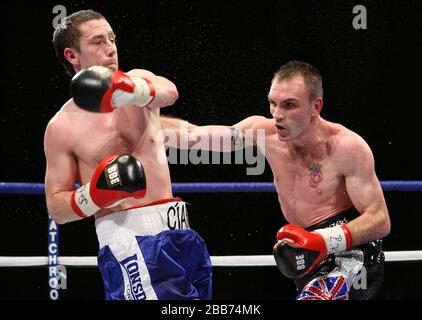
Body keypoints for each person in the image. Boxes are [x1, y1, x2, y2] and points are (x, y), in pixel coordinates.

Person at [160, 60, 391, 300]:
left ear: (316, 105)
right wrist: (136, 114)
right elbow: (192, 136)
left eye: (290, 105)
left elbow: (380, 220)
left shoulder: (347, 147)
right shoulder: (264, 133)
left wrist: (323, 240)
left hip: (352, 252)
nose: (278, 114)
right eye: (273, 103)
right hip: (305, 253)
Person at [45, 9, 212, 300]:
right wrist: (95, 195)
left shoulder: (138, 83)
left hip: (181, 234)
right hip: (131, 244)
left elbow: (169, 92)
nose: (111, 48)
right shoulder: (61, 127)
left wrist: (131, 90)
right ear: (72, 55)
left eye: (112, 38)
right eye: (98, 42)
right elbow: (56, 208)